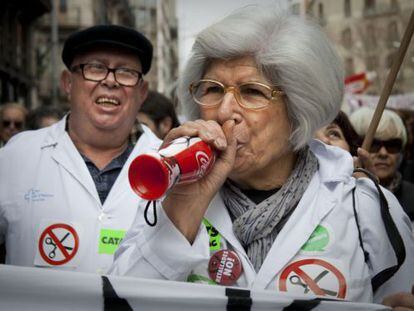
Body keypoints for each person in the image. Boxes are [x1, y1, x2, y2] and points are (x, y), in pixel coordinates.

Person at [110, 6, 414, 308]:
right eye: (213, 89)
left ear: (298, 110)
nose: (225, 110)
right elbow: (119, 302)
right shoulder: (168, 194)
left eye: (252, 92)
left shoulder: (362, 206)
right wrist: (181, 213)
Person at [0, 25, 162, 273]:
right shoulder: (18, 156)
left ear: (141, 92)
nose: (110, 81)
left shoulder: (169, 165)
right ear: (68, 83)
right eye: (95, 68)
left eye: (126, 72)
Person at [350, 107, 414, 223]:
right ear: (355, 147)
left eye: (392, 145)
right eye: (374, 144)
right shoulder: (340, 194)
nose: (383, 153)